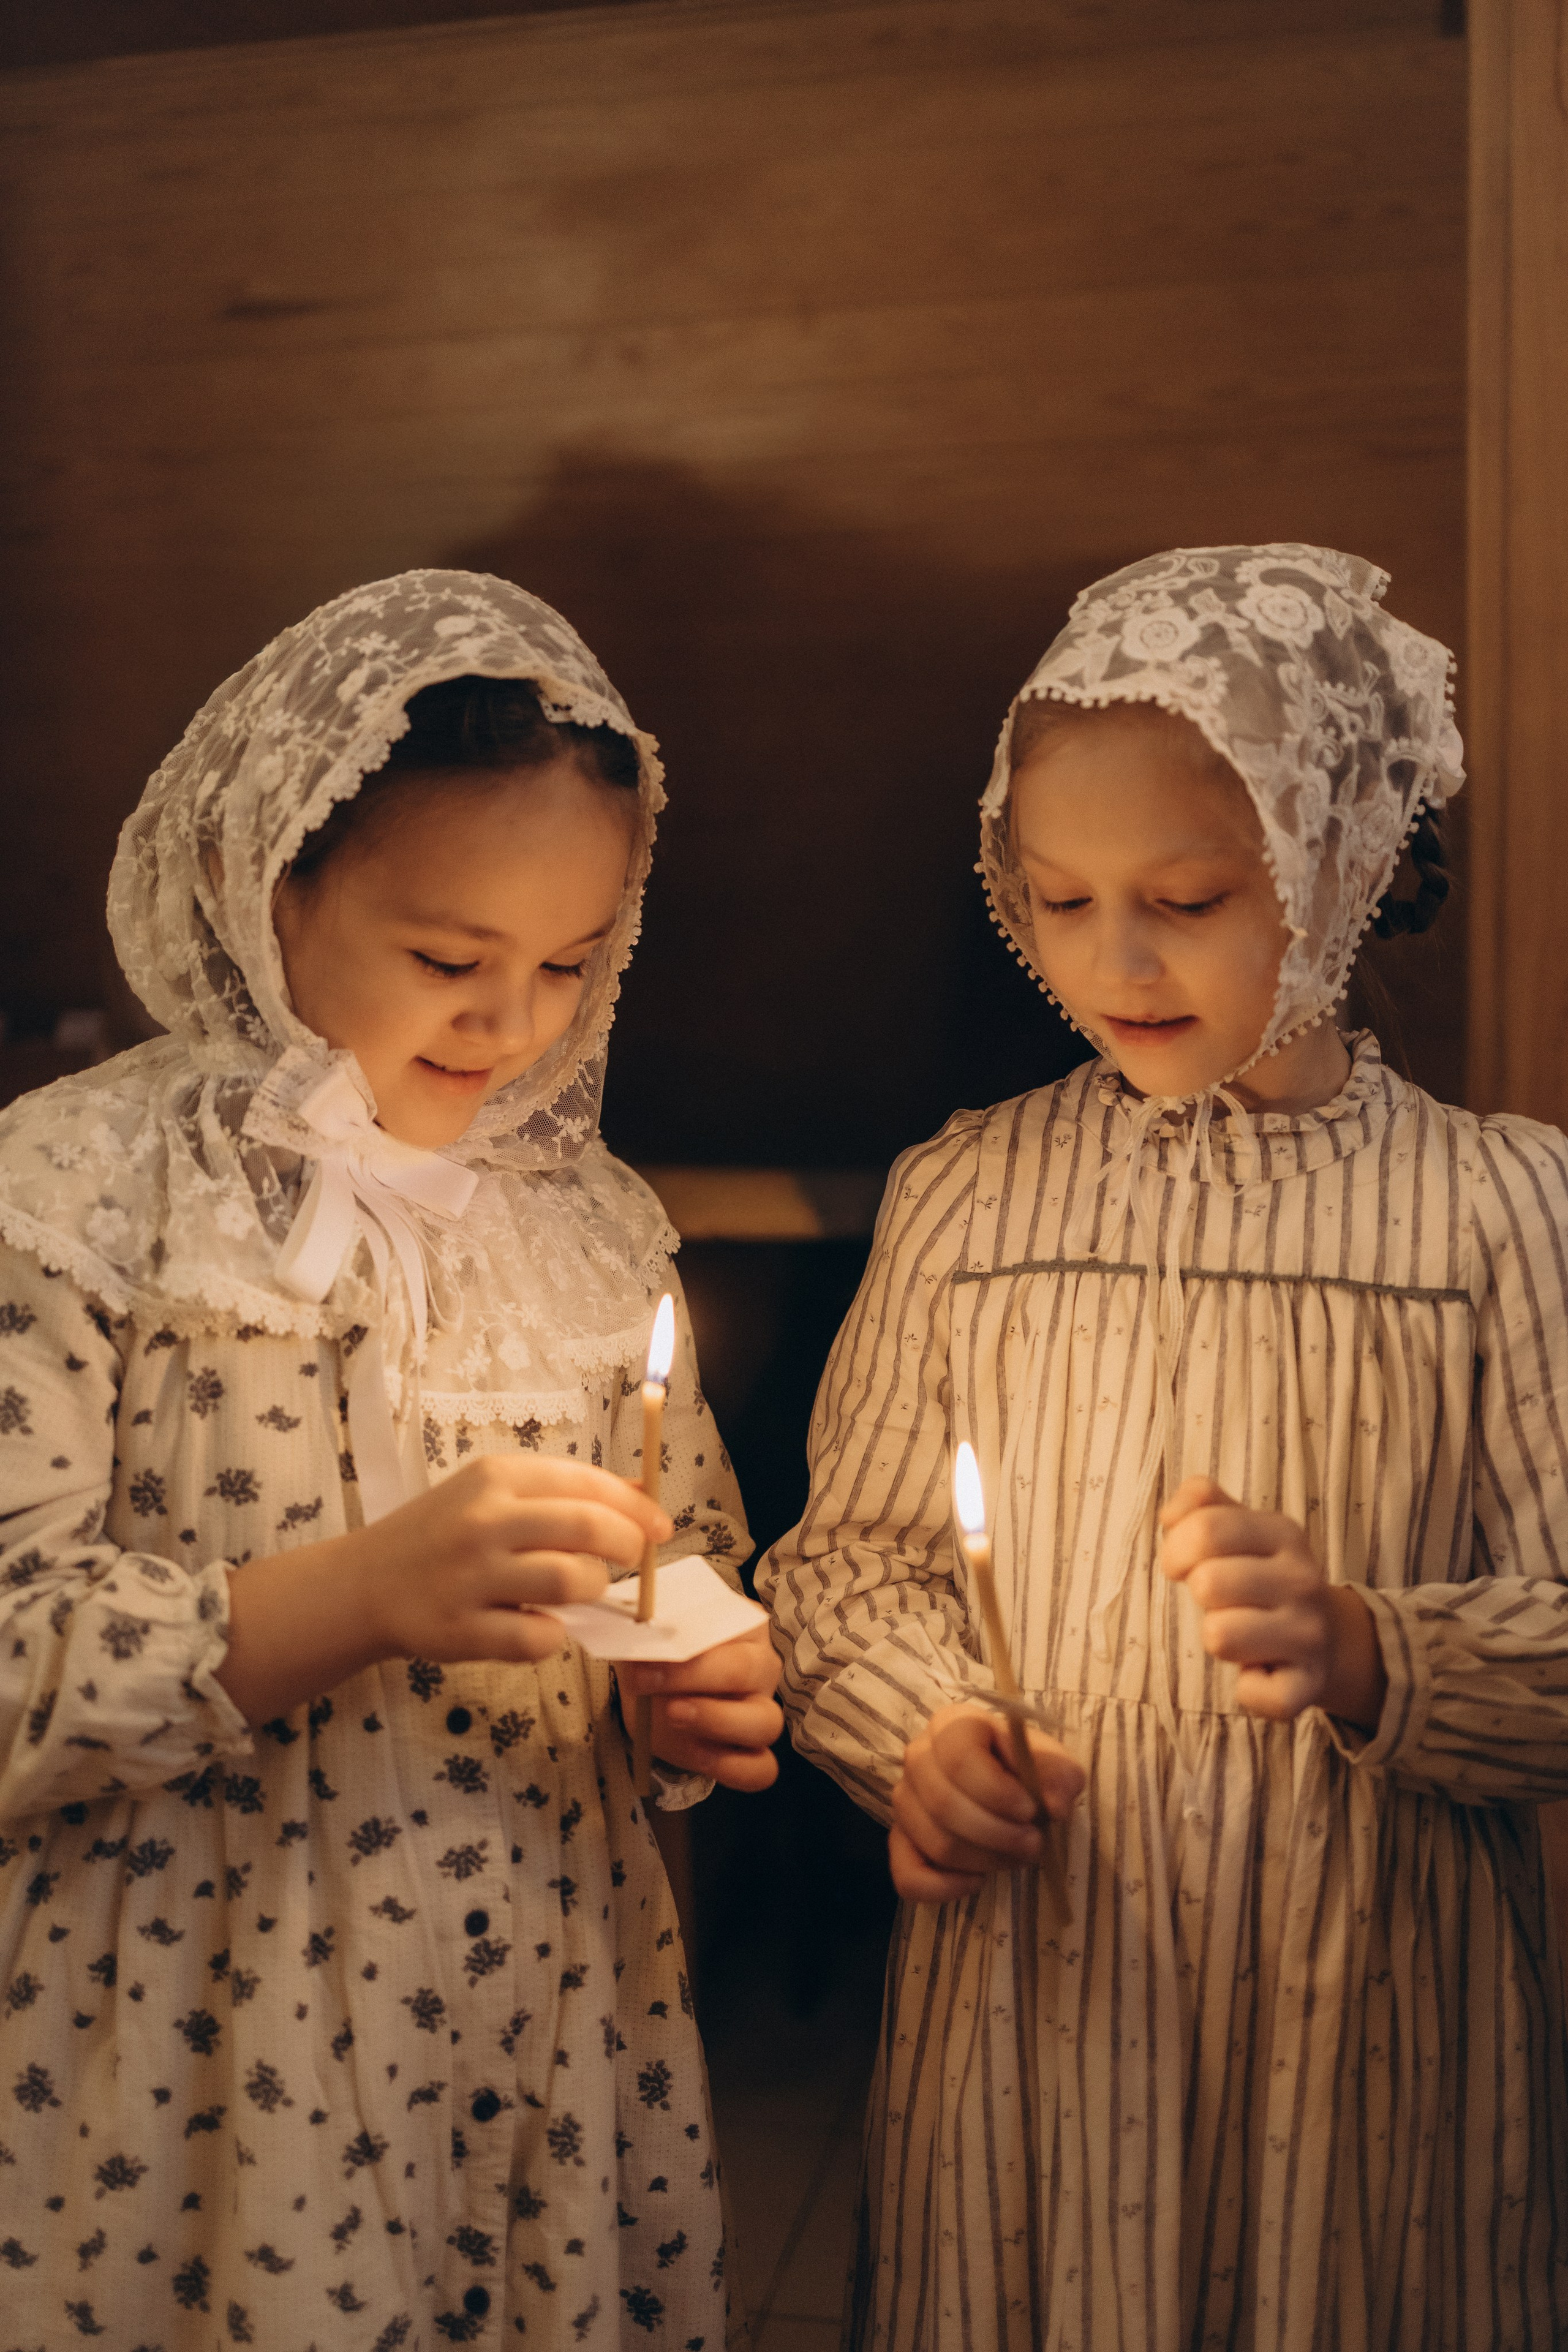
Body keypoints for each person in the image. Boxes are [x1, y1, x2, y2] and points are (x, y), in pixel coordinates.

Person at [759, 543, 1568, 2348]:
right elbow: (846, 1569)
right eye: (1058, 899)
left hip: (1363, 2004)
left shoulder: (1500, 1212)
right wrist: (924, 1738)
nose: (1112, 961)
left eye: (1187, 899)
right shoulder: (970, 1197)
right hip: (1040, 1991)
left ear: (1341, 864)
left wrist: (1371, 1647)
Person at [0, 570, 780, 2349]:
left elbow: (681, 1550)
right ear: (267, 883)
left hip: (536, 2016)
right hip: (199, 2041)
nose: (512, 1026)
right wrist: (358, 1595)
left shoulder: (586, 1228)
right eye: (448, 960)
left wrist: (689, 1691)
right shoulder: (69, 1202)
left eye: (569, 965)